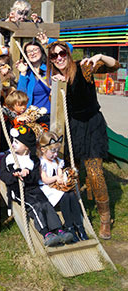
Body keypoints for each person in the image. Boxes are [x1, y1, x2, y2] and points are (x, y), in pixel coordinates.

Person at [46, 41, 120, 239]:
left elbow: (115, 66)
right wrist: (57, 86)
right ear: (51, 60)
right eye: (54, 56)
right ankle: (74, 211)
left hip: (92, 125)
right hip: (71, 128)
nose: (59, 58)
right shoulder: (55, 78)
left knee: (95, 173)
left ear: (68, 54)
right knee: (70, 171)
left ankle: (105, 219)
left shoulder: (83, 67)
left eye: (62, 53)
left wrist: (100, 57)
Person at [0, 125, 74, 247]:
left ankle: (59, 230)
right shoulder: (9, 158)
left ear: (27, 147)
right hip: (17, 190)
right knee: (36, 206)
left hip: (33, 188)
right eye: (13, 141)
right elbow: (2, 175)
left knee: (45, 203)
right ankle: (46, 233)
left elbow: (35, 178)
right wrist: (15, 176)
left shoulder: (33, 159)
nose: (13, 144)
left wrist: (27, 174)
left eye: (17, 142)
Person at [38, 131, 88, 242]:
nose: (56, 154)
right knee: (65, 195)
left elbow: (60, 173)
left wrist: (63, 179)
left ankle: (79, 226)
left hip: (56, 186)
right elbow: (45, 180)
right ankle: (69, 227)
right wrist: (57, 178)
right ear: (43, 150)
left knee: (71, 194)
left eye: (57, 151)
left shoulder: (57, 161)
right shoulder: (42, 163)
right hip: (47, 188)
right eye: (53, 151)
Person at [16, 38, 51, 126]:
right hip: (30, 115)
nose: (32, 53)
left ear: (41, 51)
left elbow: (69, 48)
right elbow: (20, 95)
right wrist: (23, 74)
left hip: (48, 115)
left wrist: (49, 41)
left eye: (35, 50)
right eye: (29, 51)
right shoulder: (27, 72)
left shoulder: (50, 69)